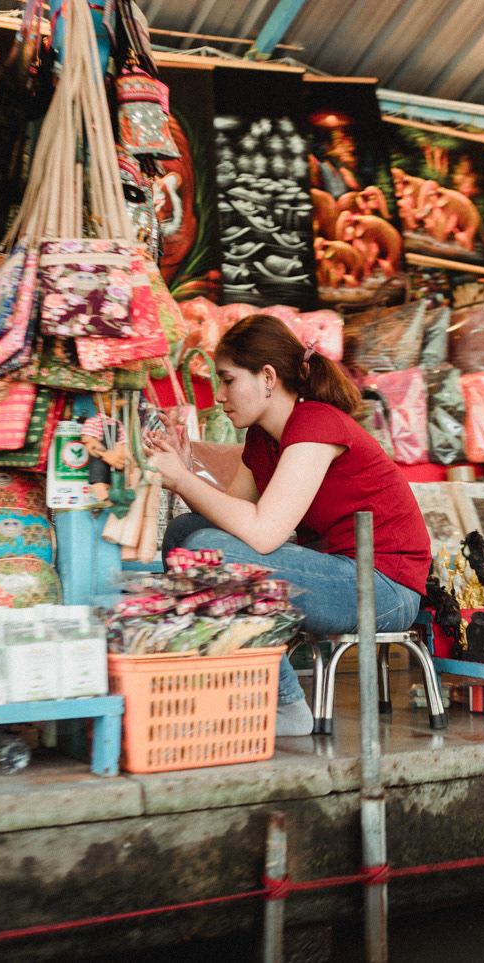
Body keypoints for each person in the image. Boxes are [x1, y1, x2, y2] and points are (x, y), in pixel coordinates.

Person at [144, 315, 431, 736]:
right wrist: (184, 471)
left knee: (209, 548)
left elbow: (262, 533)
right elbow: (231, 518)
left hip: (385, 589)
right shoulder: (262, 438)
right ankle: (236, 686)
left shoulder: (316, 424)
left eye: (227, 380)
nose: (219, 394)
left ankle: (285, 705)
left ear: (267, 377)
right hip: (336, 575)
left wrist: (182, 478)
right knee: (185, 532)